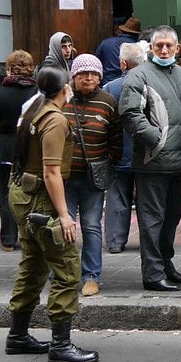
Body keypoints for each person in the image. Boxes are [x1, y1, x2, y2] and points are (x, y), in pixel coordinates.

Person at [4, 66, 98, 362]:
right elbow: (51, 170)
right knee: (67, 267)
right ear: (65, 88)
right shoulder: (55, 119)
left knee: (32, 265)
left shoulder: (34, 108)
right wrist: (64, 215)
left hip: (23, 194)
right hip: (41, 200)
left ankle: (17, 336)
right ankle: (61, 345)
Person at [119, 26, 181, 291]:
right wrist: (156, 139)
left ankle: (166, 264)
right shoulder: (138, 75)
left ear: (177, 48)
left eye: (169, 45)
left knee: (172, 218)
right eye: (159, 45)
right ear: (151, 48)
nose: (164, 50)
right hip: (154, 162)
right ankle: (153, 274)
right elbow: (131, 114)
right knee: (152, 220)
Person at [62, 54, 121, 297]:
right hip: (63, 178)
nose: (89, 78)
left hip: (92, 177)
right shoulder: (61, 99)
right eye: (83, 74)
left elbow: (116, 138)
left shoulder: (108, 102)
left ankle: (91, 276)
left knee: (91, 226)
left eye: (94, 74)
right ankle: (64, 274)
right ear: (73, 76)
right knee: (62, 227)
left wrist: (109, 163)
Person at [0, 50, 39, 252]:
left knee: (5, 195)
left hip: (3, 149)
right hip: (28, 148)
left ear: (9, 68)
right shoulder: (36, 92)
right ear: (30, 68)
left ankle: (8, 239)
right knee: (30, 194)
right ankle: (30, 237)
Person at [103, 42, 146, 253]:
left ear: (122, 63)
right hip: (146, 153)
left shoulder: (110, 88)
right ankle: (149, 240)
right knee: (147, 200)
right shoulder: (150, 85)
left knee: (117, 198)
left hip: (118, 152)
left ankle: (115, 241)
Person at [94, 16, 141, 85]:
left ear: (122, 30)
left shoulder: (106, 43)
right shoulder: (139, 48)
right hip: (129, 84)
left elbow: (96, 63)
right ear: (137, 34)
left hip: (106, 84)